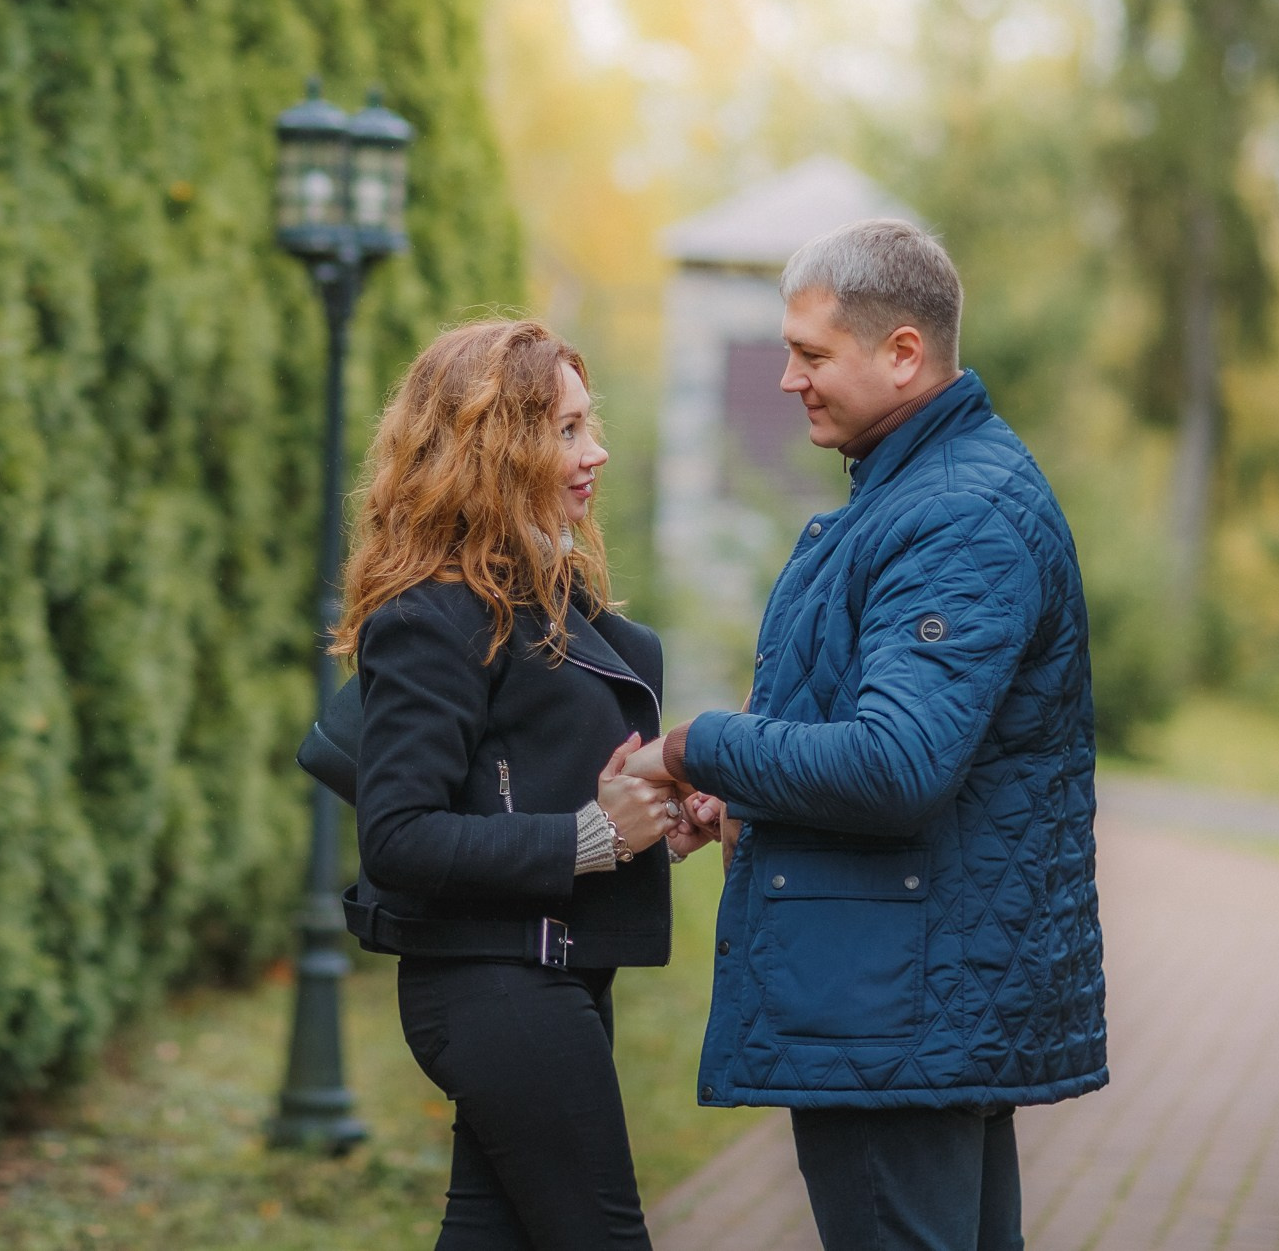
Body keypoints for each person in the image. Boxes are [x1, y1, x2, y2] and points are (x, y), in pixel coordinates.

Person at [633, 219, 1106, 1251]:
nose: (787, 380)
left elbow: (896, 766)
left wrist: (693, 748)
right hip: (910, 991)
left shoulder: (956, 514)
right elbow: (880, 730)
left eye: (809, 355)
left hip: (895, 1005)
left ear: (901, 352)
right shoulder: (926, 489)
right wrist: (752, 788)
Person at [341, 319, 716, 1251]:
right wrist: (591, 836)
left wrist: (658, 811)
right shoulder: (432, 614)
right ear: (493, 449)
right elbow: (399, 835)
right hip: (493, 984)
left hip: (555, 974)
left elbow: (546, 783)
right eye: (565, 430)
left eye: (590, 424)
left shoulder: (551, 604)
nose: (597, 452)